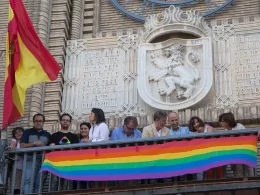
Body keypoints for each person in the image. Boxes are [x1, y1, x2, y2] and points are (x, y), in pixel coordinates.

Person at [20, 113, 51, 194]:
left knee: (39, 183)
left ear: (43, 122)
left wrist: (44, 146)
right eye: (36, 121)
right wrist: (34, 143)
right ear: (33, 122)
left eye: (40, 121)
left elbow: (50, 149)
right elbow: (22, 146)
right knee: (28, 181)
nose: (38, 123)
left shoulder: (47, 134)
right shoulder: (27, 132)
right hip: (30, 159)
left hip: (43, 160)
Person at [49, 113, 79, 191]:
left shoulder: (74, 137)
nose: (65, 122)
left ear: (70, 123)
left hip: (68, 164)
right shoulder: (54, 136)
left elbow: (75, 150)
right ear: (60, 121)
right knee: (54, 183)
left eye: (67, 120)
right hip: (55, 164)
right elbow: (51, 149)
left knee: (66, 185)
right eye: (64, 120)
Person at [219, 112, 254, 177]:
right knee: (237, 172)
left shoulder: (239, 126)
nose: (221, 123)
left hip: (245, 152)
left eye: (222, 121)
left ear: (228, 121)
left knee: (249, 172)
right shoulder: (225, 131)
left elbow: (245, 139)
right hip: (234, 154)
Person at [9, 127, 24, 195]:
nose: (18, 133)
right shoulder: (14, 141)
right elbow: (12, 147)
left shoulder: (26, 141)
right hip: (17, 168)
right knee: (16, 189)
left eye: (20, 131)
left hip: (26, 168)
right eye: (16, 132)